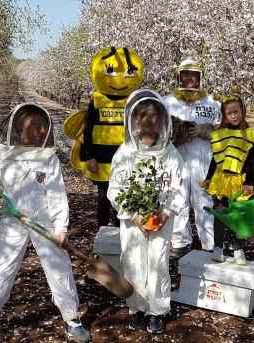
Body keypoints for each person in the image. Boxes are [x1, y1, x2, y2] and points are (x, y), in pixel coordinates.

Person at [0, 103, 90, 343]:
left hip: (44, 224)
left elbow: (56, 194)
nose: (40, 131)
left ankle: (72, 320)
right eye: (33, 127)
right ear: (17, 129)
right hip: (12, 222)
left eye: (43, 126)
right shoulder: (3, 155)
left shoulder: (49, 159)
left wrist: (61, 227)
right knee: (3, 267)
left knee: (59, 268)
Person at [107, 89, 185, 334]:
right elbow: (115, 190)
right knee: (133, 262)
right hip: (133, 222)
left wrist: (166, 212)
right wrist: (134, 215)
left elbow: (178, 187)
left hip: (162, 219)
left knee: (158, 263)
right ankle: (137, 308)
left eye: (153, 115)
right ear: (132, 119)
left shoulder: (171, 154)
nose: (148, 121)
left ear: (162, 120)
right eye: (142, 115)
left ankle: (157, 311)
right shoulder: (124, 153)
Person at [66, 47, 143, 229]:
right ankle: (102, 229)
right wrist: (90, 155)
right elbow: (88, 129)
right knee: (103, 195)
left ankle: (118, 230)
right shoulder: (97, 100)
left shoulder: (132, 100)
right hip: (101, 159)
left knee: (122, 194)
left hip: (125, 158)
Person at [164, 57, 222, 258]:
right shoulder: (167, 102)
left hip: (203, 159)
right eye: (185, 74)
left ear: (200, 77)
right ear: (179, 76)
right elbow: (158, 129)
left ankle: (208, 243)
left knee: (203, 201)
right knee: (177, 199)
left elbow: (224, 131)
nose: (190, 79)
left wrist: (208, 131)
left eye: (194, 75)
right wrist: (175, 133)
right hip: (176, 158)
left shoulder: (212, 103)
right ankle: (180, 241)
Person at [202, 96, 254, 265]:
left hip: (239, 181)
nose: (233, 116)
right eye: (229, 113)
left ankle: (238, 248)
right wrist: (208, 178)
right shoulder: (220, 135)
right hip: (221, 180)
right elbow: (215, 160)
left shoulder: (249, 134)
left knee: (238, 215)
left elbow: (252, 161)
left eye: (236, 112)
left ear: (242, 111)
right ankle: (219, 248)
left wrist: (249, 181)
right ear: (224, 115)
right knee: (220, 214)